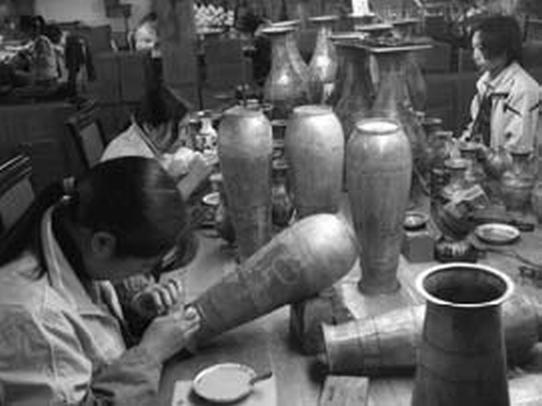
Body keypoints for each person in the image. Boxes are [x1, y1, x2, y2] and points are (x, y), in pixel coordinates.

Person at [0, 157, 200, 405]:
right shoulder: (32, 319)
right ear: (103, 243)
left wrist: (135, 312)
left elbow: (92, 338)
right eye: (144, 266)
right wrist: (151, 353)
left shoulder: (73, 234)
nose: (144, 276)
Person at [102, 86, 216, 200]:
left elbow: (175, 160)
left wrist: (195, 161)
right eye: (179, 129)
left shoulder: (150, 141)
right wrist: (194, 177)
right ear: (150, 128)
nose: (184, 137)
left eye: (186, 128)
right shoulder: (129, 157)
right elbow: (160, 207)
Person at [461, 15, 542, 151]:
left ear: (503, 50)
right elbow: (476, 130)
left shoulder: (523, 90)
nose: (475, 56)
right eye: (473, 48)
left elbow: (519, 148)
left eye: (482, 48)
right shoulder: (485, 84)